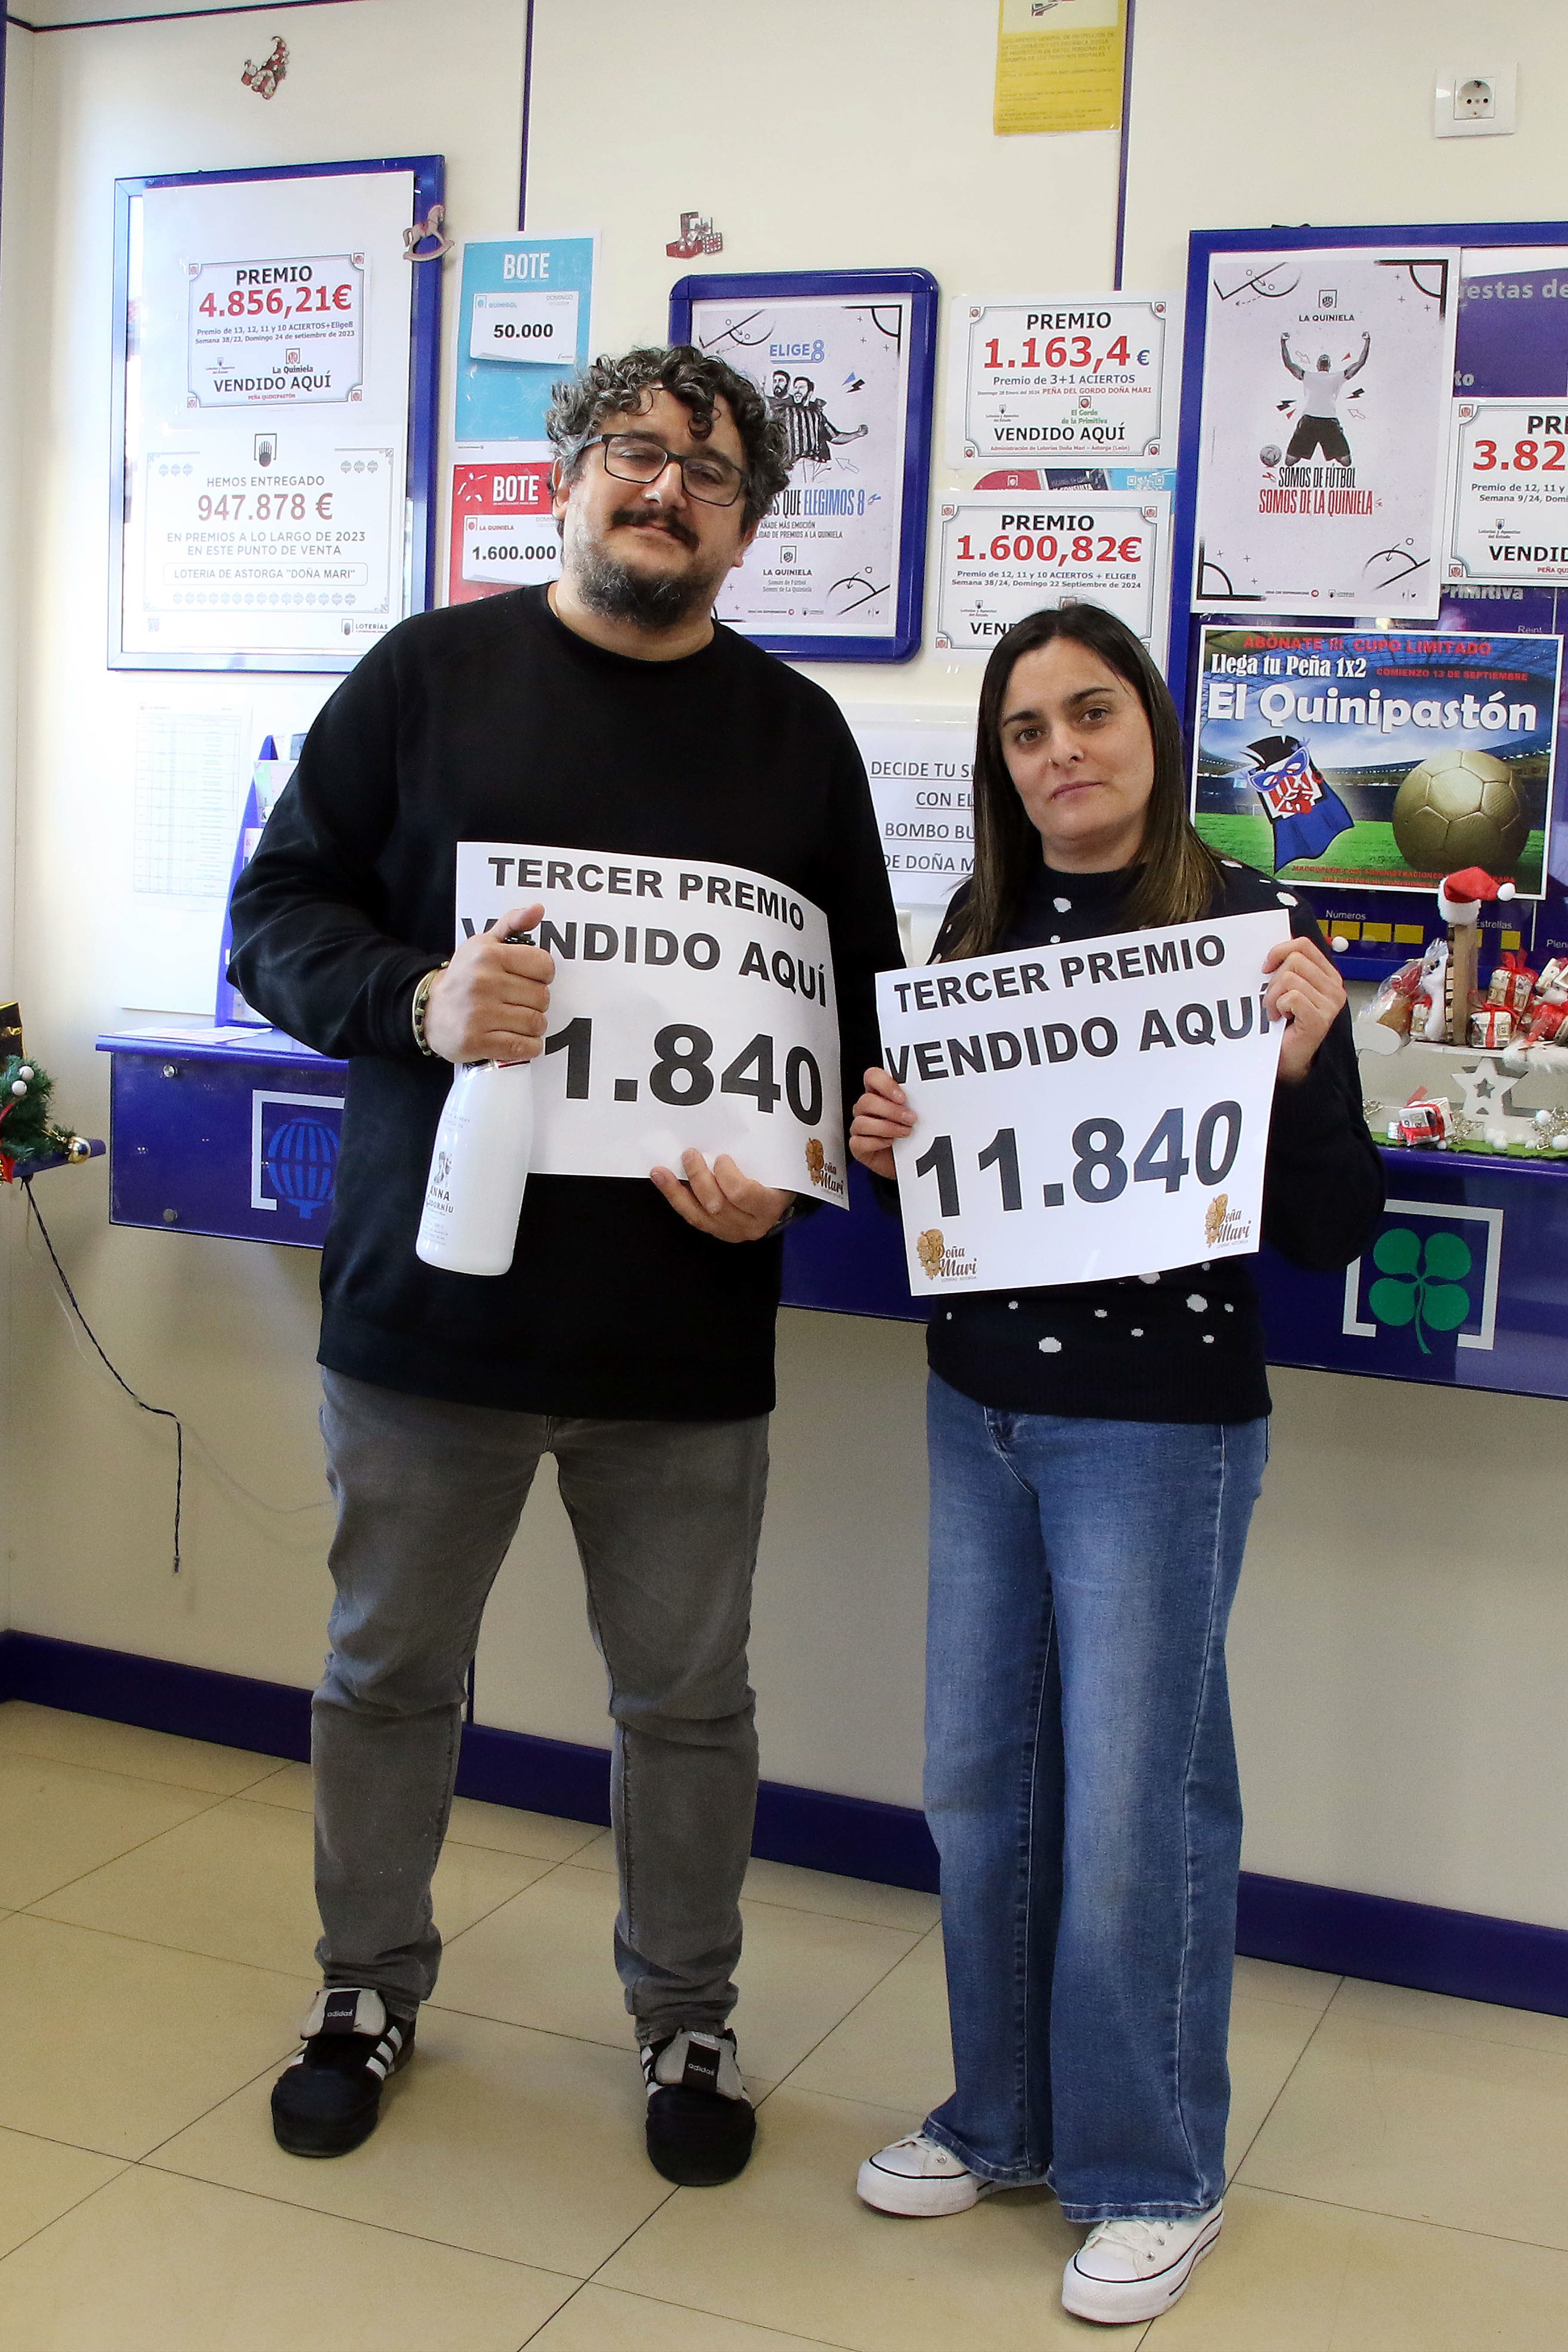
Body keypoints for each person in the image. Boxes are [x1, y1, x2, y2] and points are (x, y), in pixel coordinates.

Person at [226, 344, 901, 2185]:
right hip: (428, 1314)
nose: (662, 482)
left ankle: (686, 2008)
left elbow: (853, 1037)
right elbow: (272, 921)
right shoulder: (423, 678)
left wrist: (797, 1174)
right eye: (632, 448)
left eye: (704, 466)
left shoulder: (795, 735)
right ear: (568, 477)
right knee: (385, 1673)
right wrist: (420, 995)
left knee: (685, 1700)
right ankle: (364, 1983)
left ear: (743, 523)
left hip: (682, 1339)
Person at [846, 603, 1382, 2325]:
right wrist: (880, 1149)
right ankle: (1000, 2115)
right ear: (1002, 768)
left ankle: (1151, 2168)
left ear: (1151, 730)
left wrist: (1308, 1070)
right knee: (982, 1786)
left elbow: (1326, 1231)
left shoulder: (1245, 930)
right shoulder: (977, 924)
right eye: (1027, 732)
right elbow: (945, 1206)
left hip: (1159, 1432)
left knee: (1136, 1806)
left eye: (1092, 716)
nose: (1063, 752)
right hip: (981, 1406)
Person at [1280, 331, 1370, 466]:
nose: (1324, 359)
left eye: (1326, 358)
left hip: (1329, 422)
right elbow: (1289, 364)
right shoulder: (1308, 376)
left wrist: (1368, 342)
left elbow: (1360, 363)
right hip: (1309, 421)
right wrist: (1283, 343)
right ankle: (1309, 449)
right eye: (1322, 358)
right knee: (1289, 461)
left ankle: (1330, 449)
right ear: (1318, 365)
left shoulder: (1337, 377)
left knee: (1346, 462)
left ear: (1328, 366)